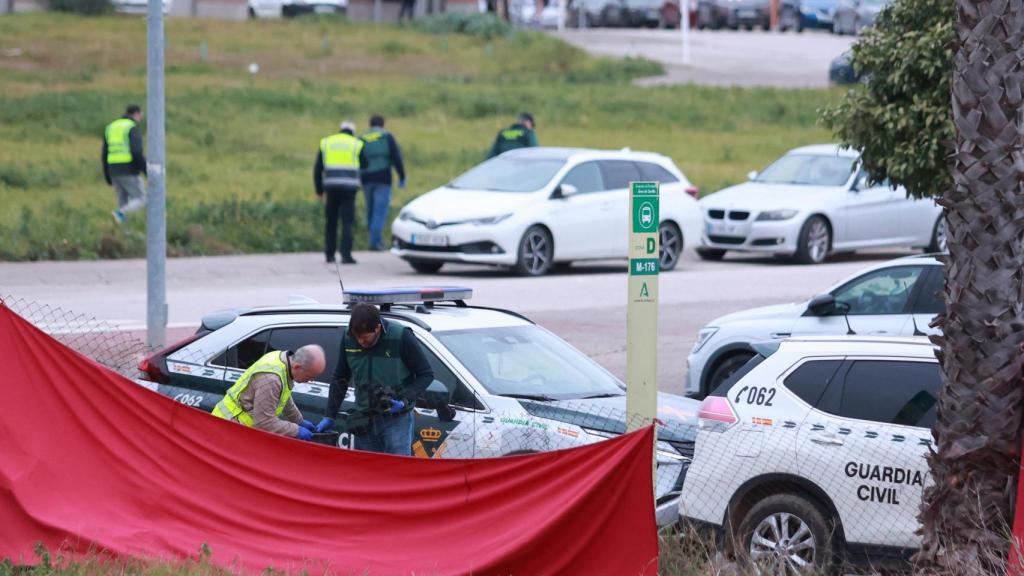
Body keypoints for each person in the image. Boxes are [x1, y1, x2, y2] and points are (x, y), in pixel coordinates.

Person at [316, 303, 434, 456]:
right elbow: (340, 377)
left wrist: (404, 400)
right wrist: (330, 415)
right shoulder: (348, 338)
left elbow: (426, 374)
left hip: (396, 419)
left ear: (377, 328)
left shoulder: (401, 336)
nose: (360, 342)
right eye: (357, 338)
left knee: (397, 471)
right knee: (368, 473)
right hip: (363, 419)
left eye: (365, 338)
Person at [211, 345, 327, 440]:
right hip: (228, 428)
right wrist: (296, 430)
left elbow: (283, 396)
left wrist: (299, 421)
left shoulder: (281, 359)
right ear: (297, 366)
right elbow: (264, 422)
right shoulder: (271, 379)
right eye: (310, 376)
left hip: (236, 428)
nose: (311, 381)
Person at [315, 120, 367, 264]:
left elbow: (318, 168)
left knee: (330, 221)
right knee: (347, 222)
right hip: (349, 189)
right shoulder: (356, 144)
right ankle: (346, 255)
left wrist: (319, 190)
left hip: (331, 188)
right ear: (353, 131)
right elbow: (365, 163)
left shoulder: (327, 142)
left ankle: (329, 254)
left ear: (340, 129)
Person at [360, 114, 407, 252]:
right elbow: (396, 158)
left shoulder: (362, 138)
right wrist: (402, 176)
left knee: (370, 209)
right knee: (379, 211)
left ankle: (372, 238)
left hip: (366, 179)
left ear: (370, 124)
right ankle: (375, 242)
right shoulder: (387, 137)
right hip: (383, 179)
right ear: (383, 124)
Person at [102, 105, 147, 224]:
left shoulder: (111, 127)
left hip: (113, 170)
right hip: (128, 170)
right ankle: (120, 213)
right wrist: (146, 170)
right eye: (141, 114)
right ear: (136, 114)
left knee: (123, 202)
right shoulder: (131, 128)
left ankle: (124, 231)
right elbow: (136, 152)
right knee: (141, 199)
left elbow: (105, 152)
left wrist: (106, 174)